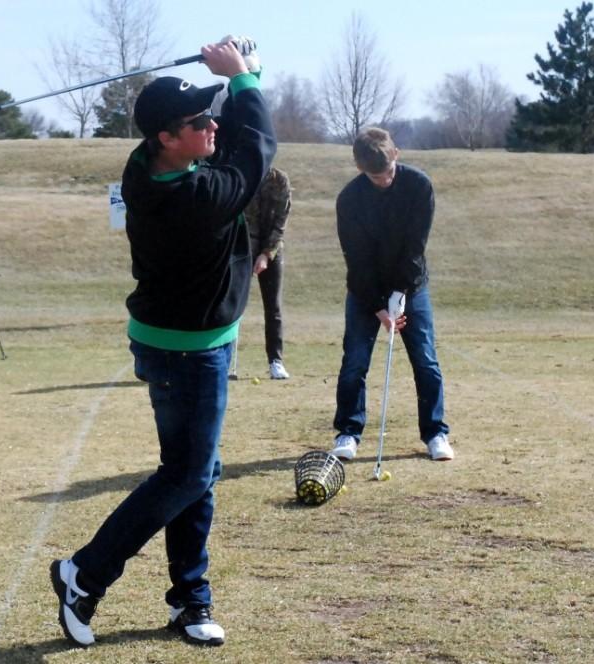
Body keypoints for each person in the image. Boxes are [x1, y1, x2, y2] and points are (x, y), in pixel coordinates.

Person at [49, 37, 275, 649]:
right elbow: (254, 149)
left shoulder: (150, 163)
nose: (211, 125)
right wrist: (244, 81)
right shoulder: (192, 197)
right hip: (187, 351)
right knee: (187, 475)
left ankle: (190, 598)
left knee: (197, 471)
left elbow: (234, 132)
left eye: (211, 114)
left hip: (190, 342)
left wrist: (242, 73)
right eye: (197, 120)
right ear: (166, 139)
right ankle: (84, 574)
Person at [329, 127, 453, 463]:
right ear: (360, 168)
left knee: (425, 360)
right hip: (364, 290)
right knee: (355, 361)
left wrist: (400, 295)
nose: (383, 180)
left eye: (387, 172)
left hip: (412, 286)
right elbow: (357, 259)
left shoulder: (418, 186)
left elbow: (415, 248)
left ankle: (435, 433)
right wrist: (378, 308)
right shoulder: (350, 199)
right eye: (374, 175)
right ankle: (348, 432)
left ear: (396, 154)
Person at [245, 166, 291, 379]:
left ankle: (276, 361)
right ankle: (221, 357)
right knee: (227, 303)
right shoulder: (240, 173)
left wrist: (266, 254)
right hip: (240, 248)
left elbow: (280, 222)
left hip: (271, 249)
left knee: (273, 308)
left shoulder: (279, 179)